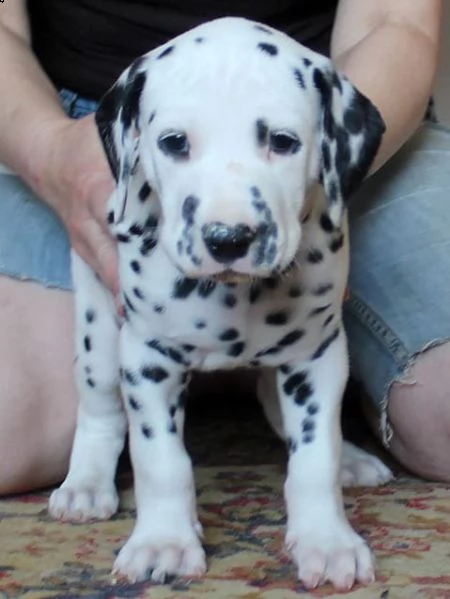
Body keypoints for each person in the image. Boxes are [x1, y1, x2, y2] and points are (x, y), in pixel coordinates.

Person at [0, 0, 446, 495]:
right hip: (76, 121)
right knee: (8, 425)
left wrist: (313, 180)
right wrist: (50, 152)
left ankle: (257, 358)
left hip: (333, 121)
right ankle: (220, 355)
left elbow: (394, 21)